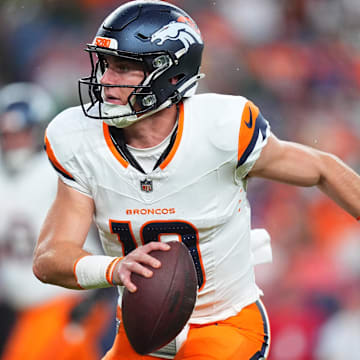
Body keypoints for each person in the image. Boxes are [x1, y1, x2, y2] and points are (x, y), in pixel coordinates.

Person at [32, 1, 360, 359]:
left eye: (124, 68)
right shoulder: (79, 139)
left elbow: (322, 169)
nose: (106, 80)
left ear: (170, 75)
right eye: (106, 65)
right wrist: (113, 267)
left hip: (225, 324)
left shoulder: (222, 129)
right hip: (142, 331)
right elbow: (50, 259)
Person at [0, 82, 113, 360]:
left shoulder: (58, 170)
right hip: (17, 306)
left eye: (20, 133)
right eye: (7, 134)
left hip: (67, 300)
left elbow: (109, 224)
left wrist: (103, 288)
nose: (13, 142)